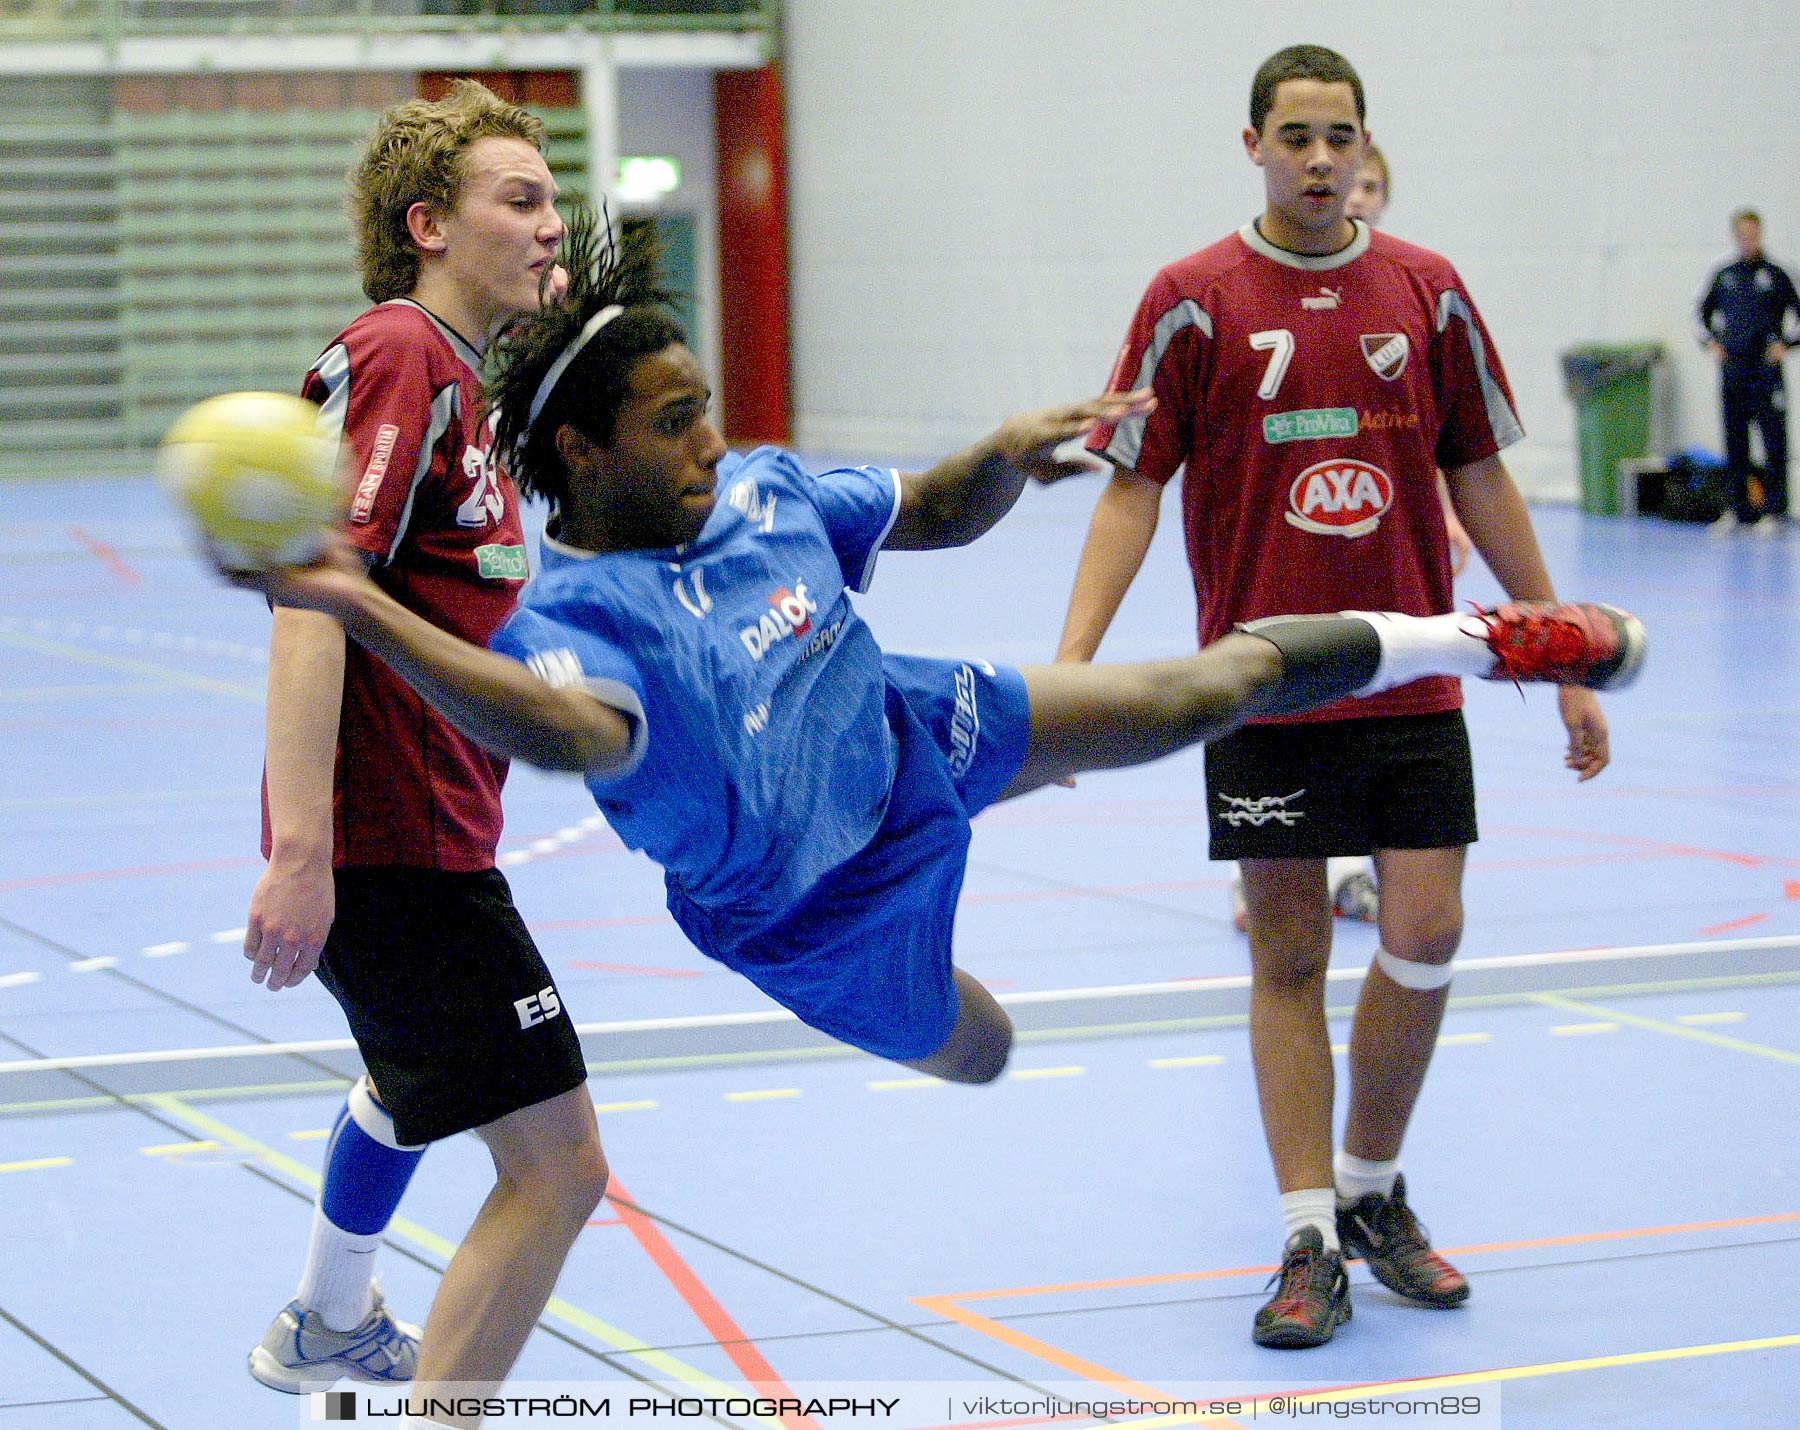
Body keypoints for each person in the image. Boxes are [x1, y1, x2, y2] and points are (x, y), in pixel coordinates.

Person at [221, 212, 1641, 1411]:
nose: (714, 437)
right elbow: (557, 728)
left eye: (709, 401)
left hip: (906, 730)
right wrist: (358, 603)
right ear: (584, 453)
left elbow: (936, 508)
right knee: (985, 1050)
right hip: (810, 911)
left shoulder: (764, 495)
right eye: (674, 422)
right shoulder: (582, 619)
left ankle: (1491, 639)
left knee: (1194, 694)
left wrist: (1009, 451)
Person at [1055, 44, 1621, 1349]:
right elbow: (1134, 486)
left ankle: (1374, 1190)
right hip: (1261, 683)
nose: (1320, 159)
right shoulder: (1191, 300)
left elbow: (1479, 477)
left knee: (1427, 930)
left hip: (1418, 671)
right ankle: (1309, 1228)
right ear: (1251, 142)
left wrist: (1561, 651)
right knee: (1291, 953)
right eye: (1296, 135)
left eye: (1341, 137)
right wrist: (1074, 670)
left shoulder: (1426, 292)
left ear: (1366, 148)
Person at [239, 80, 607, 1415]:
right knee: (560, 1168)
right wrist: (301, 855)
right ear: (428, 225)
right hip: (399, 854)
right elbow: (311, 594)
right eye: (520, 198)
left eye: (556, 198)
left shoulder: (468, 389)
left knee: (414, 1081)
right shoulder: (402, 354)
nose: (551, 224)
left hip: (441, 836)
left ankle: (331, 1320)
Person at [1224, 142, 1476, 936]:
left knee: (1386, 696)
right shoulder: (1240, 296)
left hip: (1382, 568)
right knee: (1303, 696)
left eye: (1369, 184)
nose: (1351, 191)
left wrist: (1448, 512)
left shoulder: (1409, 289)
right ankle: (1275, 871)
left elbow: (1415, 438)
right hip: (1292, 568)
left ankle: (1367, 874)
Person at [1697, 208, 1799, 534]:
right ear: (1734, 236)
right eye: (1742, 234)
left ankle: (1775, 510)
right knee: (1735, 439)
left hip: (1766, 371)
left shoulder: (1777, 274)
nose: (1747, 240)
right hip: (1734, 370)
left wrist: (1786, 344)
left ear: (1760, 233)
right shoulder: (1724, 274)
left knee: (1773, 440)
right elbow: (1700, 316)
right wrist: (1712, 343)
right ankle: (1740, 509)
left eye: (1752, 233)